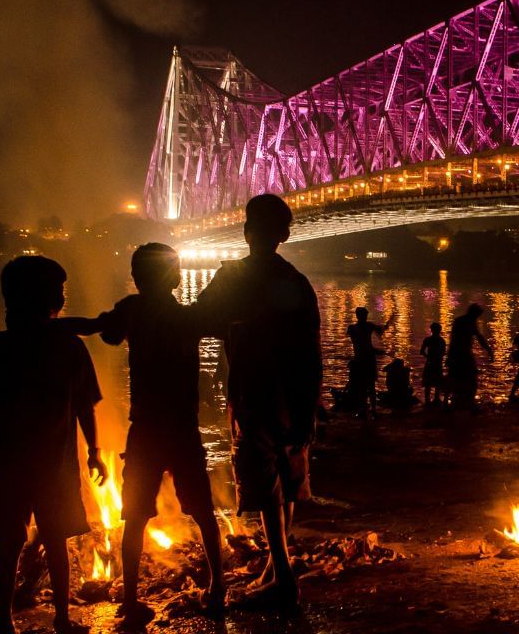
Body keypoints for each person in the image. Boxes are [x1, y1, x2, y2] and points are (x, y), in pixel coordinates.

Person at [0, 255, 107, 634]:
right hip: (54, 465)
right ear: (47, 298)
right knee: (53, 540)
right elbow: (85, 407)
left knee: (12, 542)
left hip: (12, 464)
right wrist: (94, 453)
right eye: (59, 291)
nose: (63, 297)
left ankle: (5, 622)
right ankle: (60, 619)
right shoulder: (67, 347)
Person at [65, 243, 224, 623]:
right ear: (176, 277)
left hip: (147, 429)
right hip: (182, 428)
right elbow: (225, 322)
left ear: (137, 278)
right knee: (203, 511)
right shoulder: (187, 317)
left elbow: (98, 331)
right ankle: (218, 587)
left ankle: (131, 599)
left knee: (135, 517)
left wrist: (47, 325)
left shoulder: (133, 311)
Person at [195, 194, 322, 613]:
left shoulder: (235, 277)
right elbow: (312, 348)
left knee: (264, 482)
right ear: (284, 234)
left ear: (247, 232)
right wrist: (309, 406)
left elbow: (200, 320)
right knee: (287, 477)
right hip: (294, 393)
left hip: (254, 392)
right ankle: (274, 567)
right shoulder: (297, 281)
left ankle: (283, 578)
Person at [446, 303, 493, 410]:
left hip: (455, 352)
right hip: (463, 353)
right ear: (474, 314)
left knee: (454, 377)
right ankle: (470, 403)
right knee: (471, 378)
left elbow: (453, 339)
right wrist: (488, 350)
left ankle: (448, 402)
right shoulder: (469, 322)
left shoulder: (460, 320)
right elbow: (479, 336)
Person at [346, 307, 388, 417]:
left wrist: (382, 329)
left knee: (362, 385)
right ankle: (372, 409)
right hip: (368, 359)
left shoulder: (352, 328)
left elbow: (359, 345)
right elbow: (378, 333)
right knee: (370, 385)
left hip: (359, 359)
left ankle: (364, 408)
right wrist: (377, 351)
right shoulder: (368, 326)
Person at [419, 322, 446, 406]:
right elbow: (443, 353)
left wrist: (428, 357)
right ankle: (436, 399)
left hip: (430, 362)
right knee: (437, 381)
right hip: (438, 363)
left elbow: (422, 351)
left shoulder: (428, 340)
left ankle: (427, 400)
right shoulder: (442, 341)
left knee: (428, 382)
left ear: (431, 330)